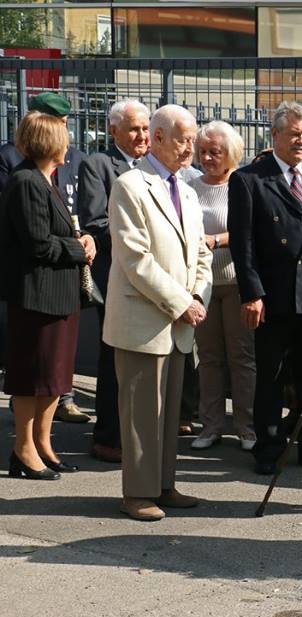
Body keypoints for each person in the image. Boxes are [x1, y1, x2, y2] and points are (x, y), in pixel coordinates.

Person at [102, 104, 213, 521]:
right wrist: (181, 302)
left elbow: (200, 252)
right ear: (159, 138)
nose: (191, 148)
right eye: (183, 140)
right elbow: (136, 260)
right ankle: (137, 493)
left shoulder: (186, 189)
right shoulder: (131, 185)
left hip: (180, 319)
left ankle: (164, 484)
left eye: (193, 139)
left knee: (168, 416)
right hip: (143, 321)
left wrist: (197, 296)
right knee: (142, 413)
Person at [228, 101, 302, 476]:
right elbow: (244, 245)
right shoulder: (249, 179)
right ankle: (269, 447)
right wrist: (252, 293)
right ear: (275, 134)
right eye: (294, 134)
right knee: (271, 376)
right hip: (272, 296)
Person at [0, 111, 97, 479]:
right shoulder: (26, 181)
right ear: (51, 142)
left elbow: (55, 233)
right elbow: (37, 243)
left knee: (54, 377)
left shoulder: (45, 180)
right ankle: (23, 450)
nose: (69, 142)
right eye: (64, 134)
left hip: (58, 295)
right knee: (31, 376)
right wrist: (79, 250)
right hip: (37, 296)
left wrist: (82, 239)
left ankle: (43, 445)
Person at [77, 98, 151, 463]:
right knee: (113, 362)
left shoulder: (153, 167)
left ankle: (140, 438)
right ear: (114, 131)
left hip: (151, 278)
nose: (142, 135)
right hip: (115, 277)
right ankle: (107, 436)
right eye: (134, 129)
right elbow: (95, 221)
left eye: (146, 128)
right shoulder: (99, 165)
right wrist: (145, 236)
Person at [189, 121, 256, 452]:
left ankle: (246, 426)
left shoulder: (242, 184)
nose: (206, 158)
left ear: (230, 152)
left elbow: (249, 229)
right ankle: (211, 425)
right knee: (209, 357)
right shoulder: (190, 184)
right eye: (202, 151)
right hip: (202, 283)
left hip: (235, 281)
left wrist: (215, 240)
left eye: (214, 152)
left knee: (241, 357)